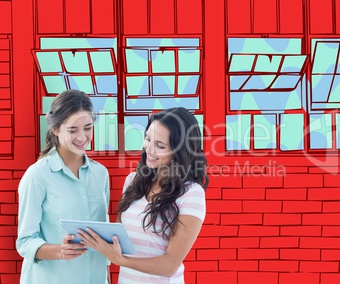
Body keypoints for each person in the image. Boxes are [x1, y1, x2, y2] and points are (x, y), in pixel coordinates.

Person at [79, 107, 209, 283]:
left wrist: (121, 261)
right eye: (148, 139)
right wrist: (86, 239)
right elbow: (120, 237)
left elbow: (170, 264)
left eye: (160, 146)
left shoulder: (191, 193)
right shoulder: (133, 181)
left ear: (180, 152)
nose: (149, 149)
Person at [16, 90, 110, 284]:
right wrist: (60, 250)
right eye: (72, 130)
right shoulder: (37, 176)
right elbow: (25, 242)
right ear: (56, 129)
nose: (82, 137)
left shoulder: (100, 174)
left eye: (88, 128)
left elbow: (102, 232)